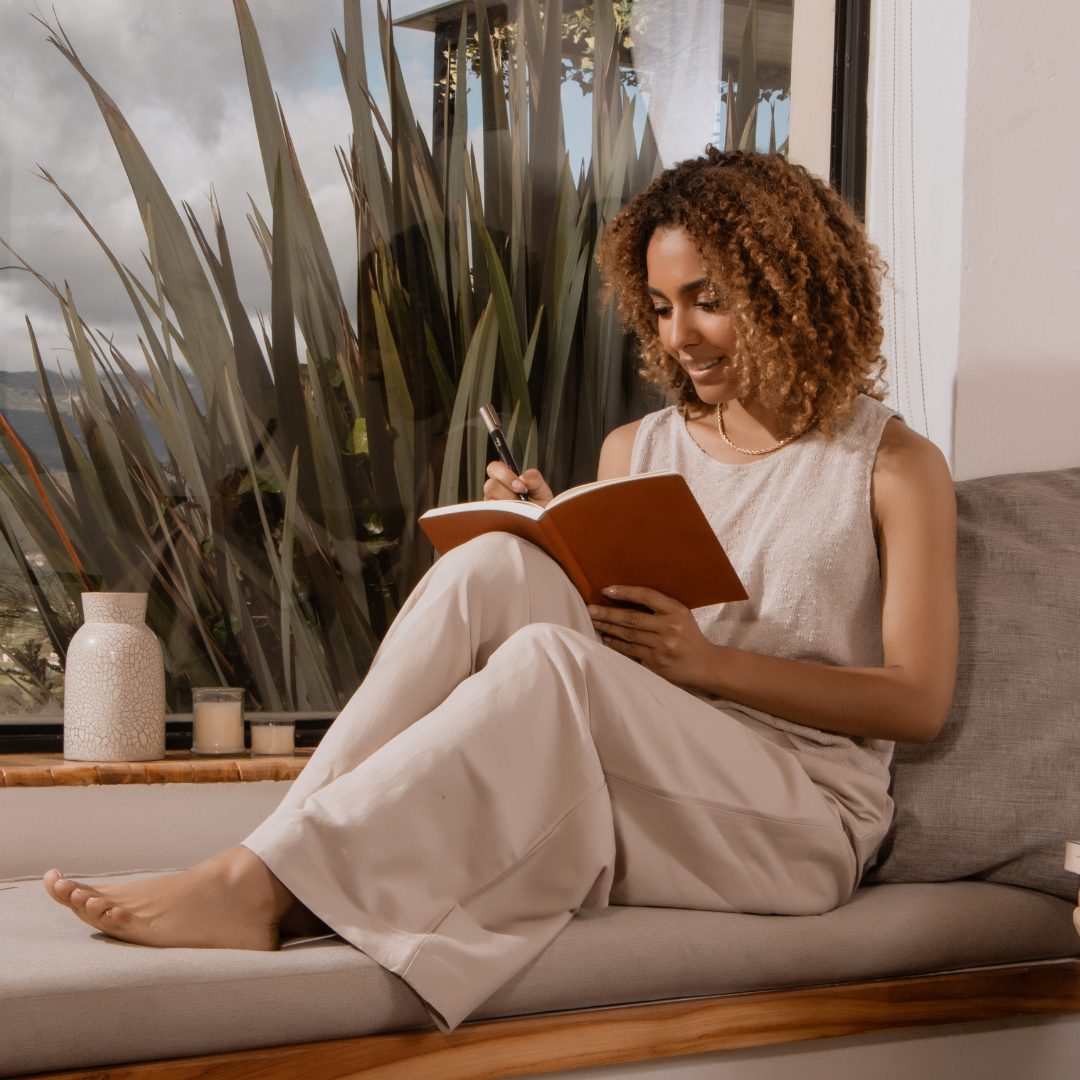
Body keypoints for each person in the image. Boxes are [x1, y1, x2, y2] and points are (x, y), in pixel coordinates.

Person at [42, 148, 958, 1033]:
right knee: (492, 567)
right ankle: (266, 861)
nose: (681, 336)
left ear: (789, 288)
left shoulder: (892, 465)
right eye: (662, 306)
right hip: (648, 767)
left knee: (551, 659)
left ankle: (267, 883)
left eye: (709, 302)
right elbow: (618, 648)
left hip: (798, 820)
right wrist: (552, 541)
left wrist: (708, 664)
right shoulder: (638, 449)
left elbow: (915, 701)